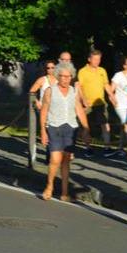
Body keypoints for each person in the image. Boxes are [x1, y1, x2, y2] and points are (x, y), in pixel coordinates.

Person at [40, 63, 89, 201]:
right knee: (55, 159)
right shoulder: (50, 91)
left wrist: (86, 128)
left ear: (71, 77)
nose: (64, 79)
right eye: (61, 76)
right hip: (54, 127)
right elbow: (43, 112)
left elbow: (79, 109)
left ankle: (65, 193)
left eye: (67, 77)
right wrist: (43, 131)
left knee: (66, 160)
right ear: (57, 76)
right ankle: (49, 186)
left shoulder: (74, 91)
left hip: (70, 128)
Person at [76, 50, 117, 155]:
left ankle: (107, 148)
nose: (97, 61)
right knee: (86, 127)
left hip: (100, 103)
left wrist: (112, 96)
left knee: (105, 124)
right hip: (88, 104)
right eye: (95, 59)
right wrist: (83, 99)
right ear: (89, 59)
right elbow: (79, 87)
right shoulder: (82, 71)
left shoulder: (102, 70)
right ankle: (88, 149)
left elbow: (106, 85)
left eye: (99, 59)